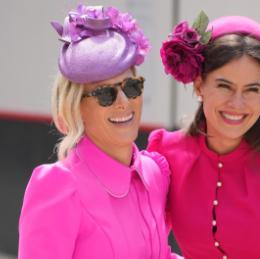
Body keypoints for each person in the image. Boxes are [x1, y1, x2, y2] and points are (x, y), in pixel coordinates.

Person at [148, 13, 260, 259]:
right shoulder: (165, 152)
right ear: (200, 85)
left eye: (252, 89)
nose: (237, 103)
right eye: (225, 86)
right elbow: (146, 242)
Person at [18, 4, 181, 259]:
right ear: (77, 108)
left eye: (131, 87)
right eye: (105, 93)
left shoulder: (153, 174)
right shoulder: (59, 186)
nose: (123, 102)